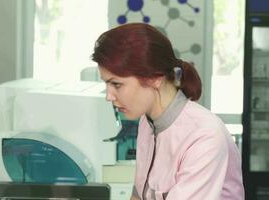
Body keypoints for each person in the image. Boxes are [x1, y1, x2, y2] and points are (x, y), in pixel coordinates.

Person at [91, 23, 244, 200]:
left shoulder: (204, 136)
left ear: (155, 79)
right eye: (106, 83)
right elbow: (139, 194)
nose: (109, 96)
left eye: (116, 84)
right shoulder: (147, 122)